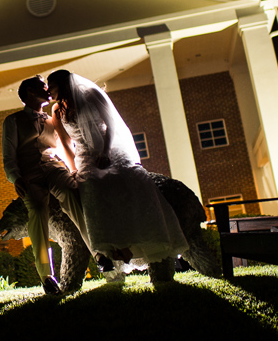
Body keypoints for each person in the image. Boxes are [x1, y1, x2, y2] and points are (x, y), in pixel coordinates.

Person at [46, 69, 188, 282]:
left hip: (109, 149)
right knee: (91, 188)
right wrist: (74, 167)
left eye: (52, 86)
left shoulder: (92, 96)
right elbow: (66, 144)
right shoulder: (57, 111)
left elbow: (112, 125)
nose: (49, 91)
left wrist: (105, 152)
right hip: (85, 157)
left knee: (127, 180)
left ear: (63, 84)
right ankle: (110, 252)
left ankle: (142, 242)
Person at [2, 76, 77, 294]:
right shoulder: (13, 121)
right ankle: (46, 275)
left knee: (72, 193)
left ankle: (99, 252)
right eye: (42, 87)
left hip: (53, 167)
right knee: (36, 209)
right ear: (29, 93)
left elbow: (62, 148)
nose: (47, 90)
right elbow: (9, 155)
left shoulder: (51, 120)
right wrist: (15, 178)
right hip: (29, 174)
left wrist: (73, 169)